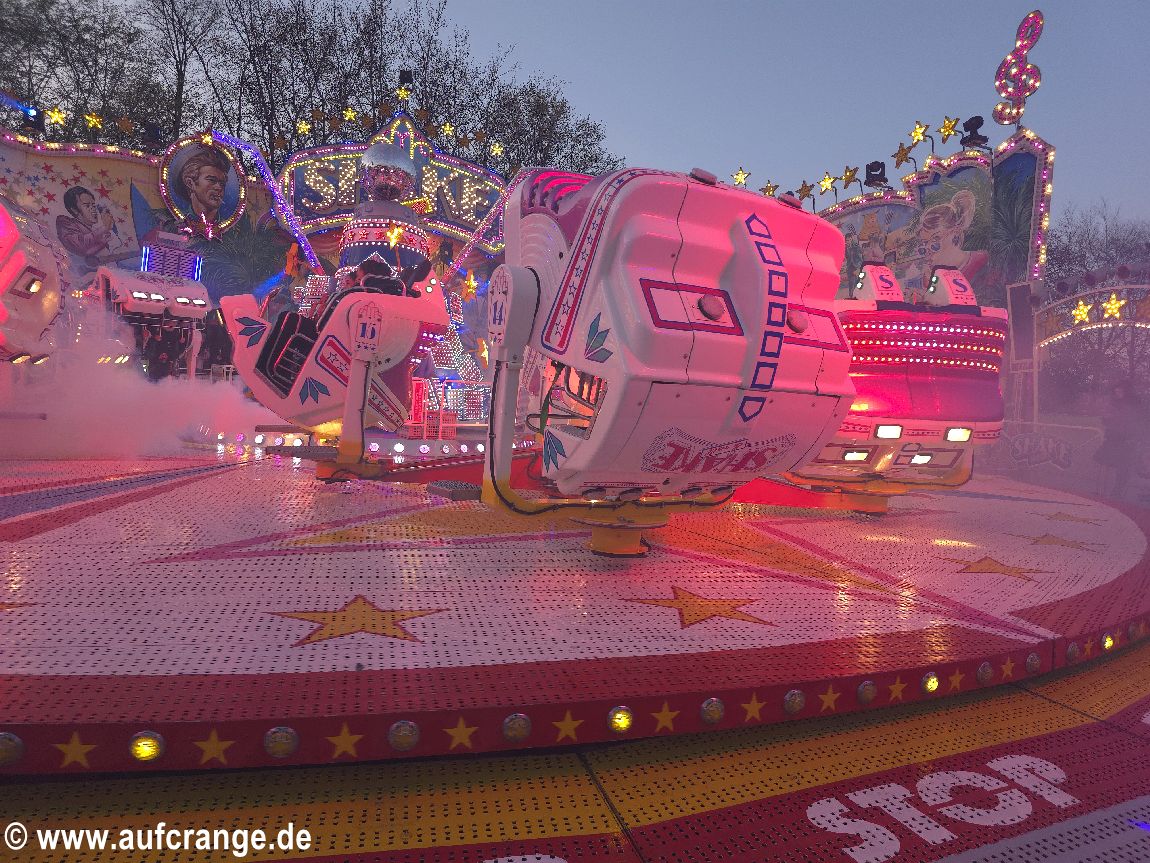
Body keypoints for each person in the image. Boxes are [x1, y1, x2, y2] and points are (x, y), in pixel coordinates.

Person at [56, 187, 136, 278]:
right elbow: (80, 245)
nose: (93, 209)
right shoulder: (65, 222)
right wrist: (104, 227)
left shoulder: (96, 230)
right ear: (74, 209)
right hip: (82, 281)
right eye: (87, 206)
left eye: (93, 205)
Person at [1094, 381, 1146, 501]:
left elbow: (1138, 422)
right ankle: (1100, 492)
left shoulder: (1135, 403)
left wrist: (1136, 438)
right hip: (1112, 439)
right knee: (1104, 464)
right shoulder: (1114, 403)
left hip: (1127, 441)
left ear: (1127, 391)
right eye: (1116, 390)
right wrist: (1106, 418)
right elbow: (1107, 420)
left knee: (1123, 469)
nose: (1117, 392)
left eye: (1120, 390)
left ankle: (1117, 494)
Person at [178, 145, 231, 225]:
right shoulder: (172, 222)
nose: (219, 187)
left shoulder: (232, 228)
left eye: (222, 183)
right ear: (190, 183)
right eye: (212, 180)